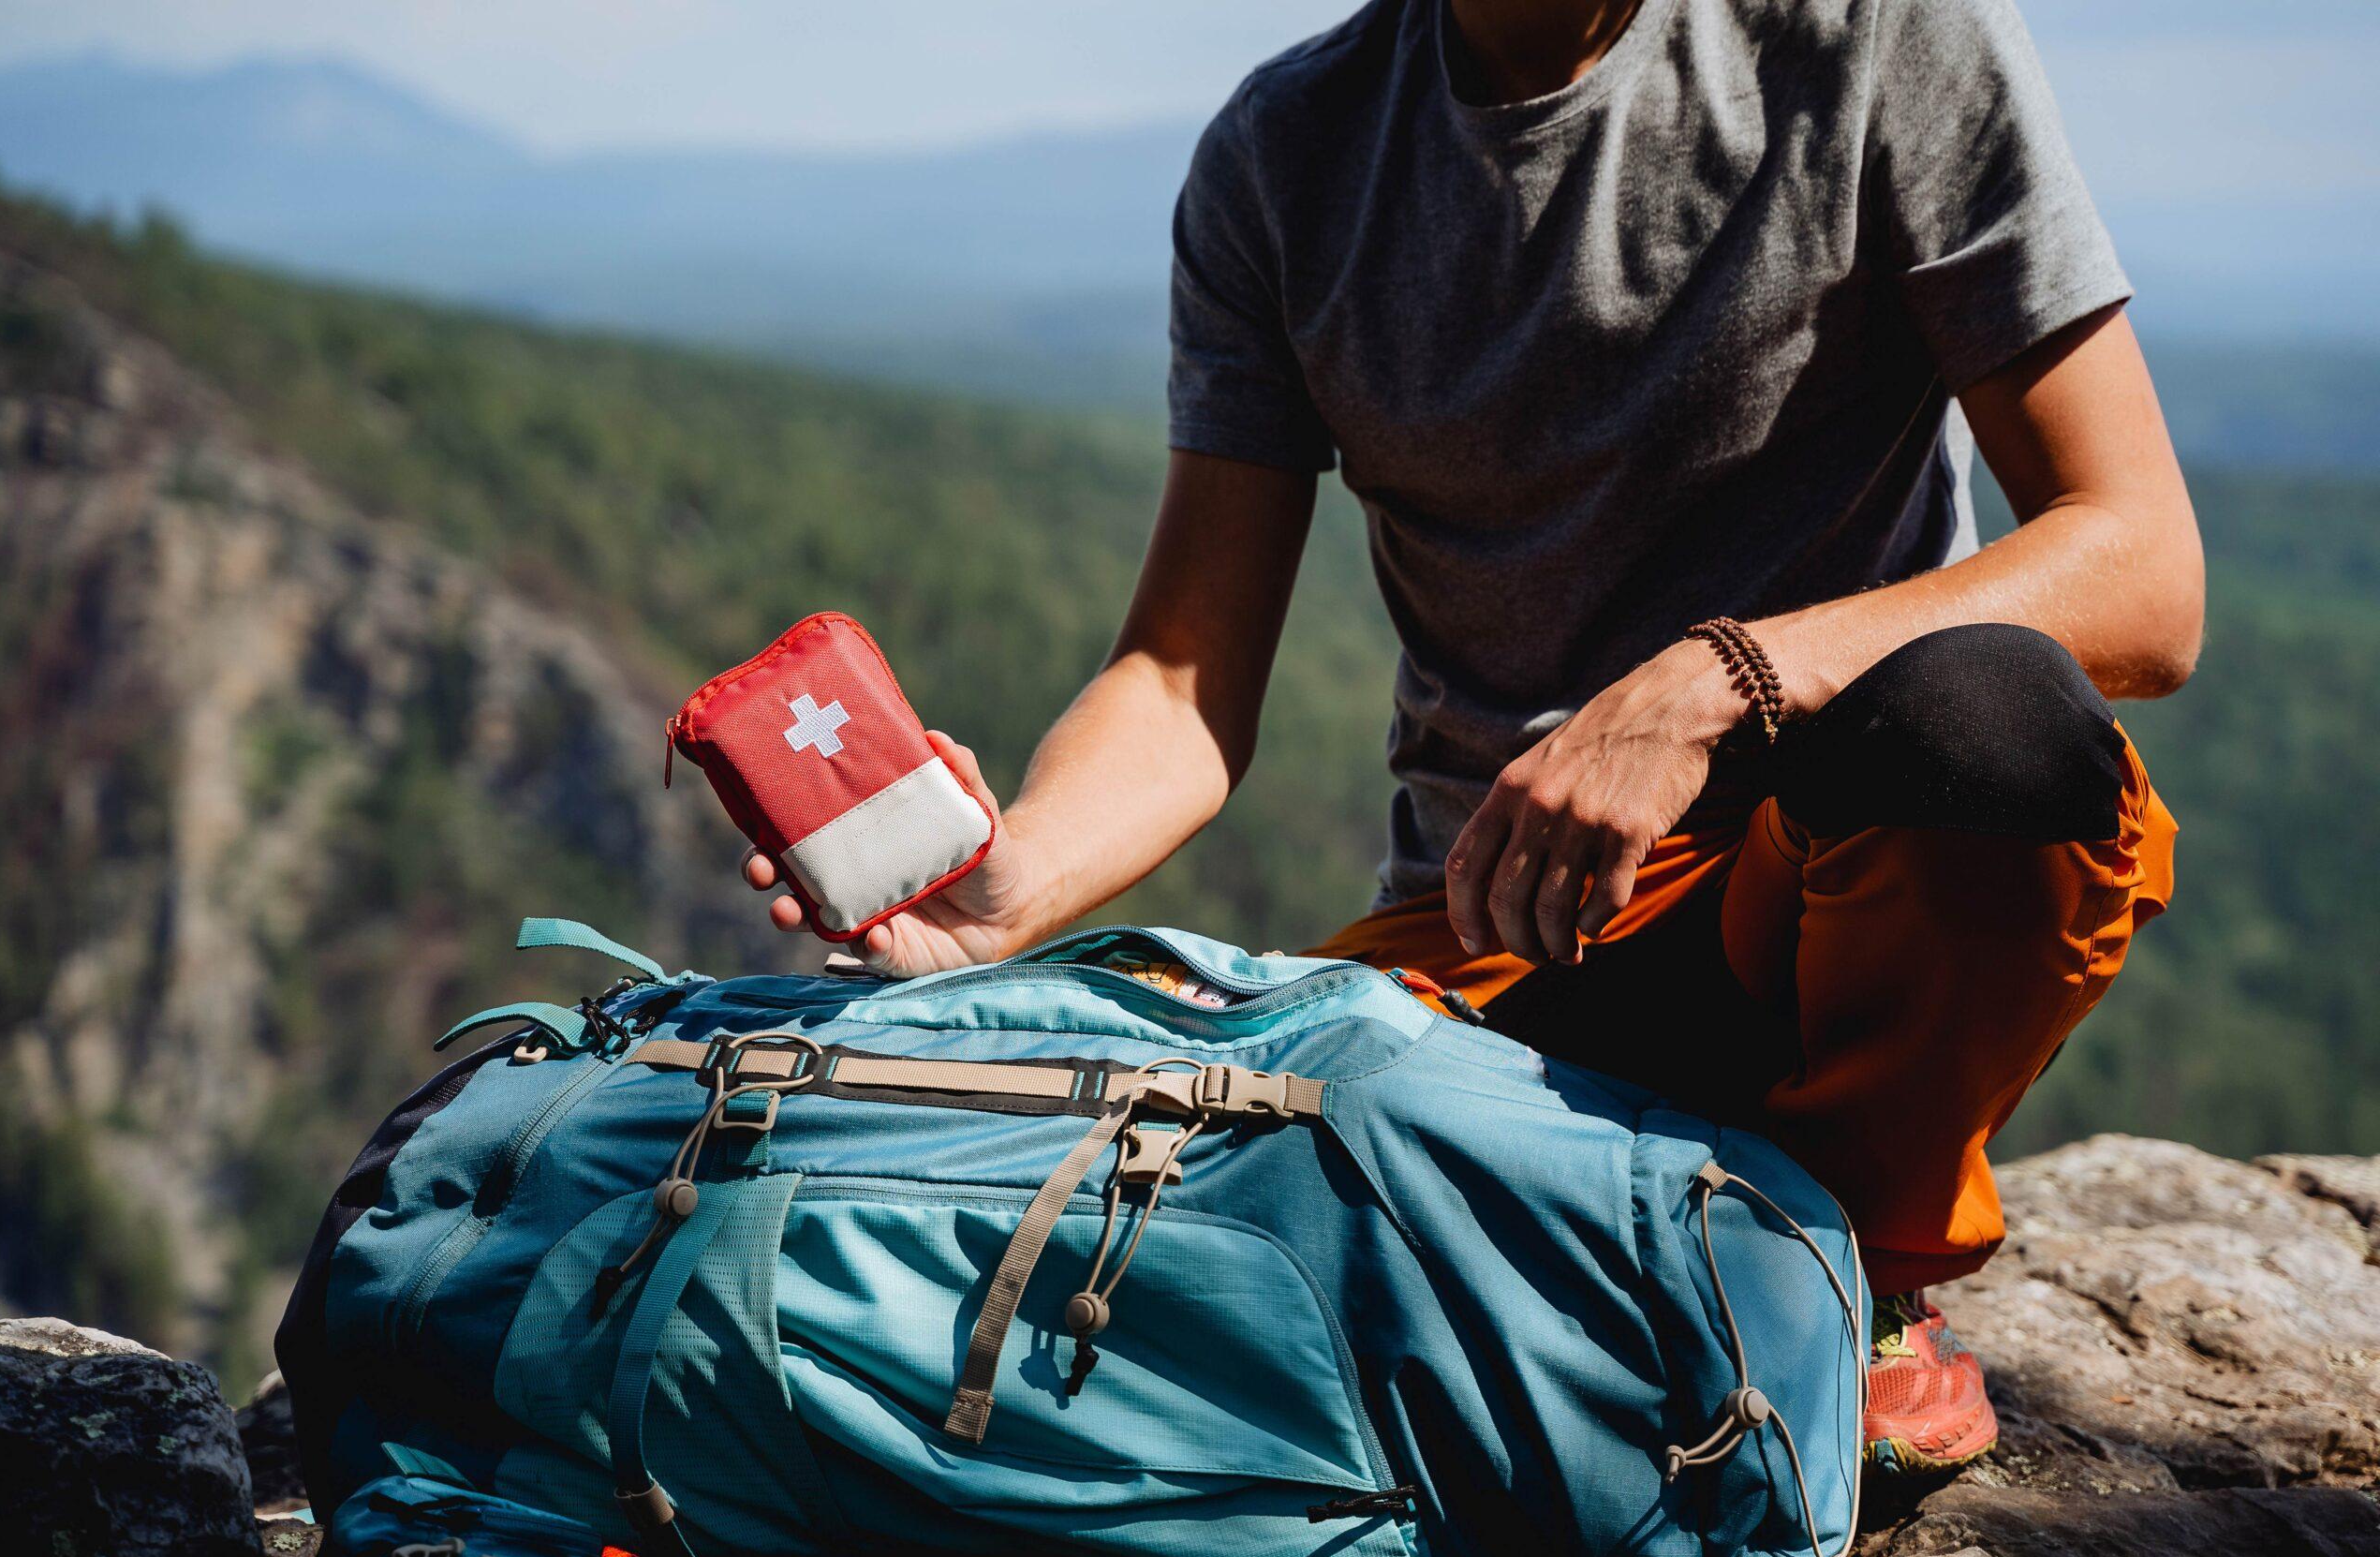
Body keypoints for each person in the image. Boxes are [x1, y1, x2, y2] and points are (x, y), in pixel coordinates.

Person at [745, 0, 2199, 1473]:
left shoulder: (1880, 39)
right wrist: (1017, 884)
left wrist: (1717, 679)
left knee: (1990, 729)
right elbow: (1185, 675)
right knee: (1063, 1310)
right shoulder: (1289, 154)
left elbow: (2143, 564)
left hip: (1817, 910)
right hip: (1488, 947)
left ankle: (1854, 1263)